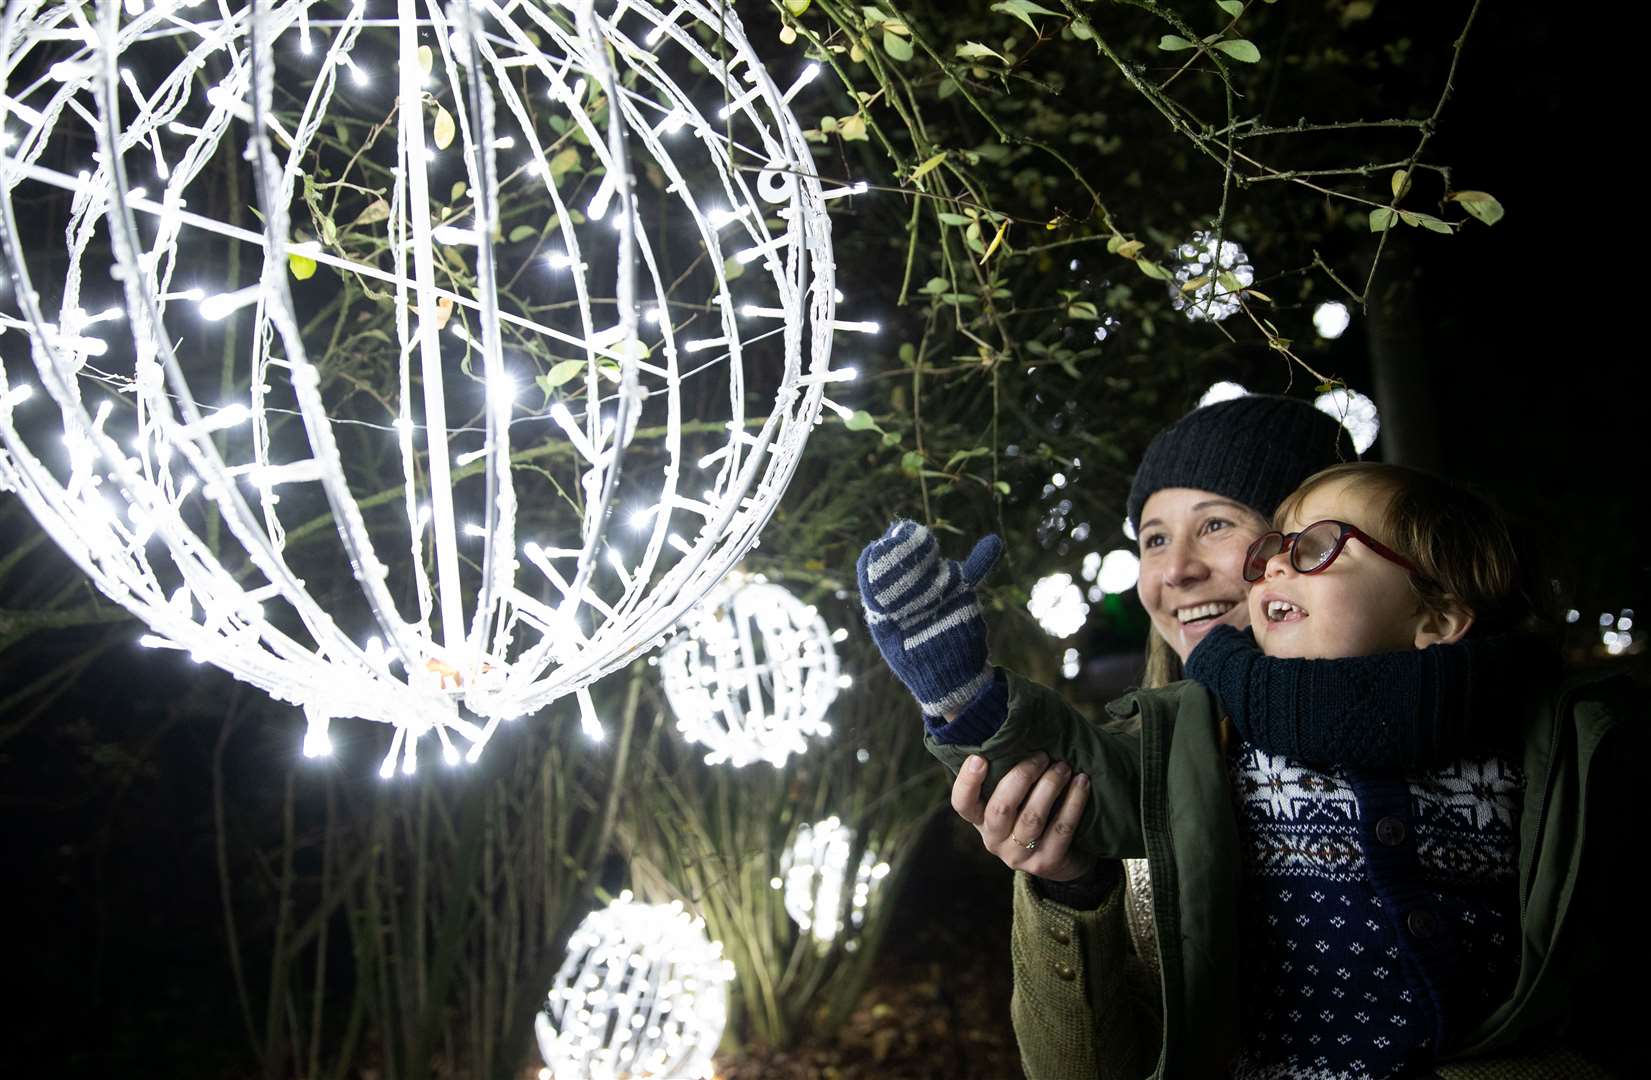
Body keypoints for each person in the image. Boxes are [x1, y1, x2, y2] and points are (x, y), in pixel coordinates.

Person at [859, 398, 1628, 1077]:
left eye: (1218, 525)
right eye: (1152, 540)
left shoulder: (1543, 740)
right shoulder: (1164, 754)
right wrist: (967, 702)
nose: (1177, 570)